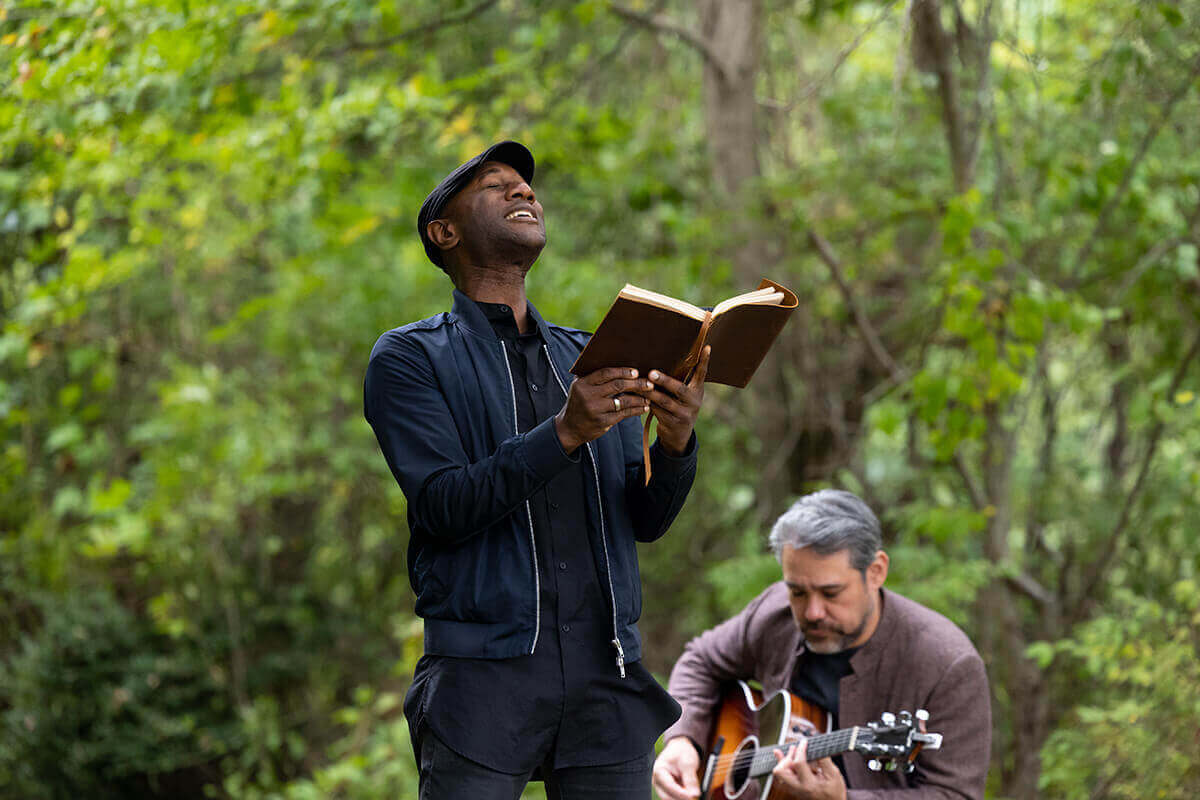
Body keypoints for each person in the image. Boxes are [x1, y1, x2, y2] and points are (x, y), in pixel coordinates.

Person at [363, 140, 709, 798]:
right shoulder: (409, 359)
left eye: (526, 185)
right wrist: (567, 432)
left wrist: (676, 438)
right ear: (445, 231)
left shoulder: (590, 356)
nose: (523, 191)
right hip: (480, 679)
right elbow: (442, 505)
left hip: (607, 678)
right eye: (497, 186)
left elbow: (645, 519)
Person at [652, 490, 991, 800]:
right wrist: (683, 741)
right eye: (798, 592)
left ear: (875, 571)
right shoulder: (776, 613)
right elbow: (700, 661)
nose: (812, 612)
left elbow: (955, 795)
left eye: (831, 593)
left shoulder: (947, 663)